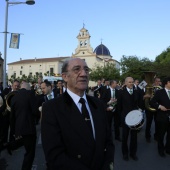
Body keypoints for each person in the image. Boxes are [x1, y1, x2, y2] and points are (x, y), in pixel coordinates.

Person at [41, 58, 115, 170]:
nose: (84, 74)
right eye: (77, 70)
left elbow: (108, 142)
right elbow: (54, 156)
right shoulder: (52, 108)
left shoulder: (98, 104)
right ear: (65, 76)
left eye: (86, 70)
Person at [10, 82, 37, 170]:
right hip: (29, 129)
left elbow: (12, 117)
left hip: (19, 129)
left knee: (25, 148)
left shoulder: (14, 97)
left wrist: (13, 132)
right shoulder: (30, 94)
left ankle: (10, 145)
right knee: (30, 153)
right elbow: (34, 111)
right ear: (27, 87)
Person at [117, 77, 143, 161]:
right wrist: (122, 118)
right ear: (125, 83)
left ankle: (133, 154)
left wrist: (140, 110)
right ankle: (125, 154)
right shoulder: (121, 93)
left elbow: (140, 103)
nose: (131, 83)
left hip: (135, 119)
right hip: (125, 118)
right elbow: (119, 107)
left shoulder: (137, 92)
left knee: (134, 137)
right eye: (129, 82)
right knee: (125, 137)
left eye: (132, 82)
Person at [150, 77, 170, 157]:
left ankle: (168, 149)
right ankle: (160, 150)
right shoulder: (159, 92)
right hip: (162, 117)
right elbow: (152, 102)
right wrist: (159, 106)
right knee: (161, 135)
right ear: (167, 83)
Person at [145, 77, 162, 142]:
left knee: (157, 123)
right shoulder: (148, 88)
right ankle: (147, 136)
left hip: (157, 107)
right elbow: (143, 96)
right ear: (154, 82)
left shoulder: (160, 89)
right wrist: (146, 96)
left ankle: (156, 136)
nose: (158, 83)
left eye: (159, 81)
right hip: (149, 107)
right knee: (148, 123)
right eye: (156, 81)